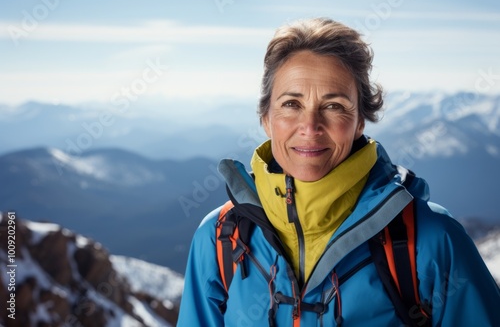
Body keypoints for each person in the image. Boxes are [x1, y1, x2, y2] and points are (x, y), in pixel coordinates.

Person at [177, 17, 500, 326]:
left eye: (334, 105)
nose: (310, 126)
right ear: (266, 117)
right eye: (291, 104)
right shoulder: (220, 237)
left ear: (360, 121)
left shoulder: (432, 240)